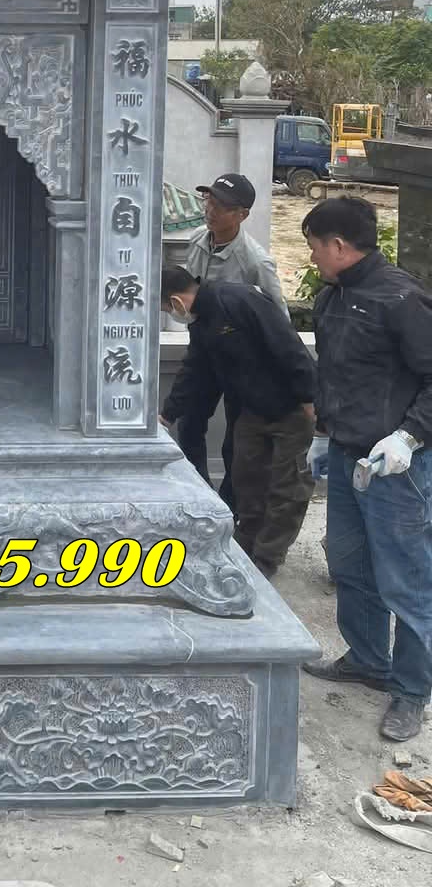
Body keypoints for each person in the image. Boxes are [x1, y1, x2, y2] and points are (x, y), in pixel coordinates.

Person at [301, 196, 432, 743]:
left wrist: (410, 436)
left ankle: (412, 689)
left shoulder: (401, 298)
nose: (312, 257)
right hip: (345, 452)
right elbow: (332, 372)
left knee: (406, 579)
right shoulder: (333, 296)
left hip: (396, 464)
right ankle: (368, 659)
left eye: (314, 247)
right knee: (351, 564)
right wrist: (323, 430)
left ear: (338, 245)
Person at [160, 266, 317, 578]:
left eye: (166, 308)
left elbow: (287, 347)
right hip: (250, 411)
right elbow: (194, 371)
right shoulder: (202, 323)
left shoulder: (239, 301)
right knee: (246, 480)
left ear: (176, 301)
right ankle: (246, 543)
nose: (170, 314)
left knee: (287, 489)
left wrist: (310, 400)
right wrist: (168, 414)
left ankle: (268, 557)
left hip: (291, 408)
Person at [178, 173, 287, 505]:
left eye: (221, 207)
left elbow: (278, 317)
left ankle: (230, 505)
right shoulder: (198, 241)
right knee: (190, 422)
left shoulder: (255, 261)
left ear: (242, 215)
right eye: (208, 201)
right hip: (204, 351)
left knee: (237, 438)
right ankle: (199, 495)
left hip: (243, 360)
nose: (210, 211)